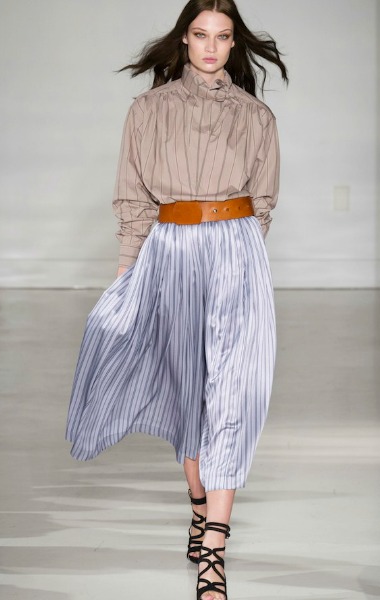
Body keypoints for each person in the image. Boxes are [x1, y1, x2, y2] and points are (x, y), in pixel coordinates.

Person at [65, 1, 288, 598]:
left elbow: (263, 203)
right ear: (184, 39)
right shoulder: (148, 111)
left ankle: (215, 545)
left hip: (237, 253)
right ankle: (198, 501)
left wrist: (239, 254)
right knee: (189, 393)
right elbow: (134, 199)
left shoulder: (257, 117)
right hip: (171, 254)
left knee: (236, 392)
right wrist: (128, 274)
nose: (211, 47)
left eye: (223, 36)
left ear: (234, 44)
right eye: (200, 34)